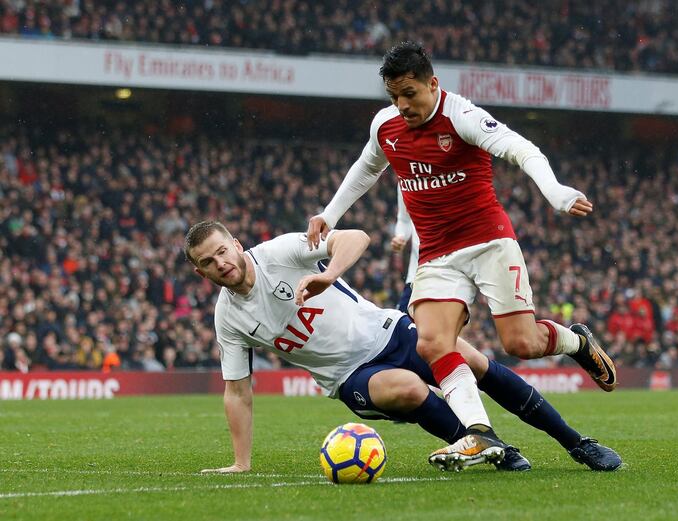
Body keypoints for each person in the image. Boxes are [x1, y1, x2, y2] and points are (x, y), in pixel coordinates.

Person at [306, 41, 617, 463]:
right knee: (431, 343)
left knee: (521, 343)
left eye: (410, 94)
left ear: (433, 83)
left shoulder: (462, 116)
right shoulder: (386, 126)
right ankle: (480, 432)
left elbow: (521, 149)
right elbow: (367, 168)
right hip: (435, 253)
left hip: (488, 242)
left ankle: (576, 342)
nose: (402, 105)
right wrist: (330, 213)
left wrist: (555, 191)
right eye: (394, 97)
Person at [185, 220, 622, 473]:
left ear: (237, 244)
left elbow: (354, 237)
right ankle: (496, 450)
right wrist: (241, 463)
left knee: (472, 361)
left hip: (389, 331)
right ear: (202, 273)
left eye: (223, 251)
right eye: (208, 262)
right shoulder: (229, 319)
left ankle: (576, 443)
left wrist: (328, 271)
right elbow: (237, 391)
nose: (221, 263)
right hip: (351, 377)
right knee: (410, 390)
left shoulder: (277, 253)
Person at [390, 185, 419, 314]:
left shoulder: (454, 177)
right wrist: (400, 236)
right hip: (416, 277)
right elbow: (404, 220)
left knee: (441, 332)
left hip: (448, 275)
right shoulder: (406, 178)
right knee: (401, 329)